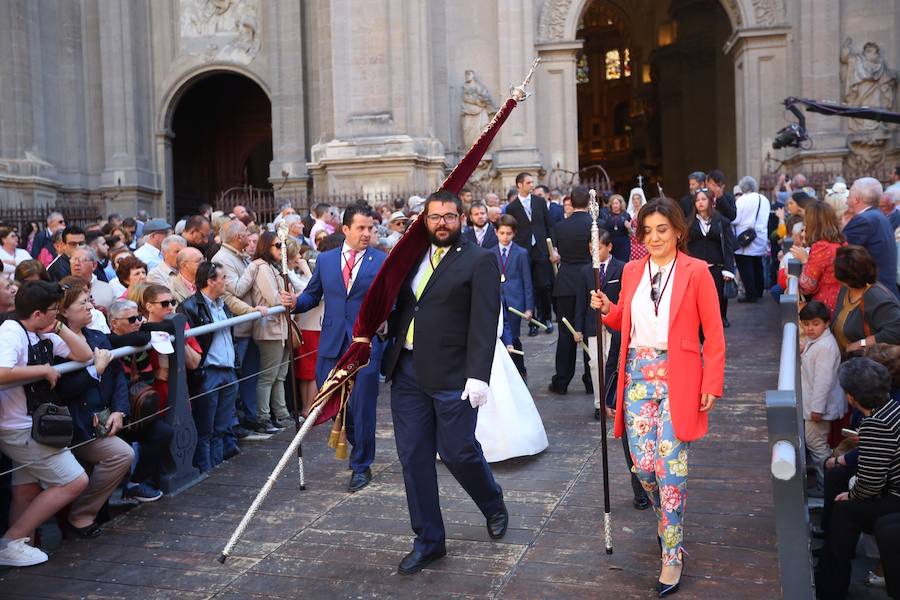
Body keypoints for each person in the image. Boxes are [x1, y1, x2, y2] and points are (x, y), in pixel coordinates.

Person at [590, 197, 725, 595]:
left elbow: (714, 334)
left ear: (678, 232)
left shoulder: (697, 271)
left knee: (670, 465)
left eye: (661, 230)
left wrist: (711, 383)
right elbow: (625, 321)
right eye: (646, 231)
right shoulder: (632, 271)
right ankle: (667, 522)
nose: (654, 238)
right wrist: (608, 308)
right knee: (643, 468)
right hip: (636, 376)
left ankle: (672, 554)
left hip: (679, 376)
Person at [380, 190, 507, 575]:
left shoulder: (479, 259)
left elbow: (485, 320)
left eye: (449, 217)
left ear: (461, 219)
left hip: (453, 375)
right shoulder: (411, 256)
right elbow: (404, 303)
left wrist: (478, 376)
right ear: (425, 220)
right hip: (407, 371)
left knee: (457, 451)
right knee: (414, 458)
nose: (441, 224)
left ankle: (491, 500)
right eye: (434, 217)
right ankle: (429, 541)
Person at [282, 205, 387, 493]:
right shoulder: (326, 261)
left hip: (364, 345)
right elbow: (313, 296)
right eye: (361, 228)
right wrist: (294, 303)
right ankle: (357, 442)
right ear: (345, 230)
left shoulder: (381, 260)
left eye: (371, 228)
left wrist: (383, 325)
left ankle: (361, 465)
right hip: (331, 343)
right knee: (332, 403)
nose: (367, 234)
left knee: (363, 406)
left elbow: (391, 301)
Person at [0, 281, 92, 567]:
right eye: (54, 311)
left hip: (34, 423)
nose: (58, 315)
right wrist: (41, 368)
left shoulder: (43, 329)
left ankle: (17, 546)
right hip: (19, 427)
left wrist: (60, 328)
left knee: (25, 490)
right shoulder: (10, 332)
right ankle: (11, 542)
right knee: (75, 480)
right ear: (38, 313)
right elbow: (1, 372)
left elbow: (85, 355)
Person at [52, 279, 134, 538]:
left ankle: (81, 515)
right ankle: (80, 515)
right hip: (74, 424)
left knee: (116, 457)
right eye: (83, 303)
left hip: (104, 417)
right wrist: (95, 371)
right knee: (121, 454)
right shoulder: (53, 344)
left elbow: (119, 375)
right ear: (63, 311)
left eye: (89, 300)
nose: (91, 307)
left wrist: (120, 410)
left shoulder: (97, 336)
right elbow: (62, 391)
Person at [816, 358, 900, 600]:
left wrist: (851, 495)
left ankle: (831, 587)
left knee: (844, 511)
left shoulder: (876, 423)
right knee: (841, 481)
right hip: (890, 486)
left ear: (851, 397)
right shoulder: (892, 408)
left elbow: (871, 484)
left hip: (895, 495)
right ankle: (831, 567)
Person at [107, 299, 172, 502]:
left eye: (140, 318)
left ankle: (136, 483)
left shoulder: (139, 333)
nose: (138, 322)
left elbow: (169, 326)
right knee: (122, 452)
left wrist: (144, 327)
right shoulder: (107, 340)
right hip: (117, 410)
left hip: (142, 409)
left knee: (163, 433)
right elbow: (135, 340)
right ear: (114, 322)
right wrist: (144, 334)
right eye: (132, 319)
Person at [179, 262, 241, 471]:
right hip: (208, 372)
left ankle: (218, 465)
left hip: (228, 369)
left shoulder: (223, 304)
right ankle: (206, 470)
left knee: (222, 426)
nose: (226, 282)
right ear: (210, 281)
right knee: (205, 427)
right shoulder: (190, 307)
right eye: (223, 278)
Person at [212, 221, 268, 433]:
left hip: (250, 324)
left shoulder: (239, 255)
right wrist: (254, 267)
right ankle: (235, 422)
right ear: (237, 237)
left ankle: (251, 417)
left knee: (252, 374)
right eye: (246, 232)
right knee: (237, 375)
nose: (249, 235)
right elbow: (235, 289)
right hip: (240, 328)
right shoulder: (222, 259)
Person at [798, 301, 846, 497]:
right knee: (815, 444)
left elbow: (823, 381)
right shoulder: (817, 341)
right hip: (813, 404)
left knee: (817, 446)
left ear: (826, 323)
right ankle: (824, 484)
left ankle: (825, 486)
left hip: (817, 407)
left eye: (815, 323)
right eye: (806, 324)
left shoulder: (825, 346)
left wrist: (817, 408)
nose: (810, 328)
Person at [549, 186, 593, 395]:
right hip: (588, 282)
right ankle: (591, 381)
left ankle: (562, 381)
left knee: (566, 334)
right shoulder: (595, 224)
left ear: (571, 202)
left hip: (566, 282)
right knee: (589, 331)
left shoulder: (560, 227)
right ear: (588, 203)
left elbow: (557, 251)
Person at [250, 231, 293, 432]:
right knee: (269, 376)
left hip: (280, 328)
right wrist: (288, 297)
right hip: (270, 328)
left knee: (280, 375)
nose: (281, 249)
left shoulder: (273, 267)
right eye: (277, 245)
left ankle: (281, 413)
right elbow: (274, 298)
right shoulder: (263, 268)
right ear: (266, 246)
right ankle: (263, 416)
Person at [505, 172, 555, 336]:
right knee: (529, 286)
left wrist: (552, 247)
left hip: (540, 248)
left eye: (532, 182)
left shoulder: (540, 202)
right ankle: (532, 322)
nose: (532, 185)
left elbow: (549, 225)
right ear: (519, 185)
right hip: (523, 250)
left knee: (544, 286)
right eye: (528, 182)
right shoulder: (512, 207)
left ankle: (546, 318)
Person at [832, 245, 900, 356]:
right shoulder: (847, 288)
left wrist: (862, 343)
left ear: (849, 278)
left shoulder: (877, 297)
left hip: (867, 365)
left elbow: (896, 331)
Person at [686, 187, 737, 327]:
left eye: (703, 199)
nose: (700, 203)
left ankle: (721, 319)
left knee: (718, 298)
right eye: (697, 200)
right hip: (696, 269)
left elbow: (728, 246)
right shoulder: (689, 223)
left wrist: (729, 269)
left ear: (710, 201)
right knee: (698, 300)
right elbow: (685, 246)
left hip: (716, 267)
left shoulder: (721, 221)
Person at [842, 177, 898, 297]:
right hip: (884, 290)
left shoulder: (864, 220)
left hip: (876, 295)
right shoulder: (878, 216)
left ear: (856, 199)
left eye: (849, 197)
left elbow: (842, 253)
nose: (846, 201)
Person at [493, 215, 533, 379]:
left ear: (514, 233)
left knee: (514, 336)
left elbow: (527, 280)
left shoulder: (521, 253)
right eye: (502, 233)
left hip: (515, 301)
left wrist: (529, 307)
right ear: (496, 232)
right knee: (500, 335)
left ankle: (519, 368)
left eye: (508, 233)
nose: (505, 237)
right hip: (496, 300)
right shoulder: (490, 252)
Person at [792, 201, 846, 315]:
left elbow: (807, 286)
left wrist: (804, 260)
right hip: (843, 301)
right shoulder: (841, 242)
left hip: (826, 306)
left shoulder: (821, 247)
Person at [732, 176, 769, 303]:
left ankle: (750, 295)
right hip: (760, 236)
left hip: (745, 239)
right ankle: (759, 291)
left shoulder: (742, 200)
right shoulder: (764, 199)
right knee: (758, 264)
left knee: (745, 266)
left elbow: (735, 219)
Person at [602, 194, 631, 262]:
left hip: (623, 243)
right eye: (613, 203)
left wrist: (629, 228)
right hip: (611, 244)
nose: (615, 205)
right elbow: (604, 230)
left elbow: (631, 233)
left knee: (623, 263)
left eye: (616, 203)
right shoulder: (606, 215)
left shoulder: (626, 215)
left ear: (620, 204)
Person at [627, 188, 649, 261]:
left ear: (641, 200)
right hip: (632, 242)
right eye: (634, 199)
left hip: (643, 241)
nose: (635, 200)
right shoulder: (629, 213)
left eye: (637, 198)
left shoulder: (645, 212)